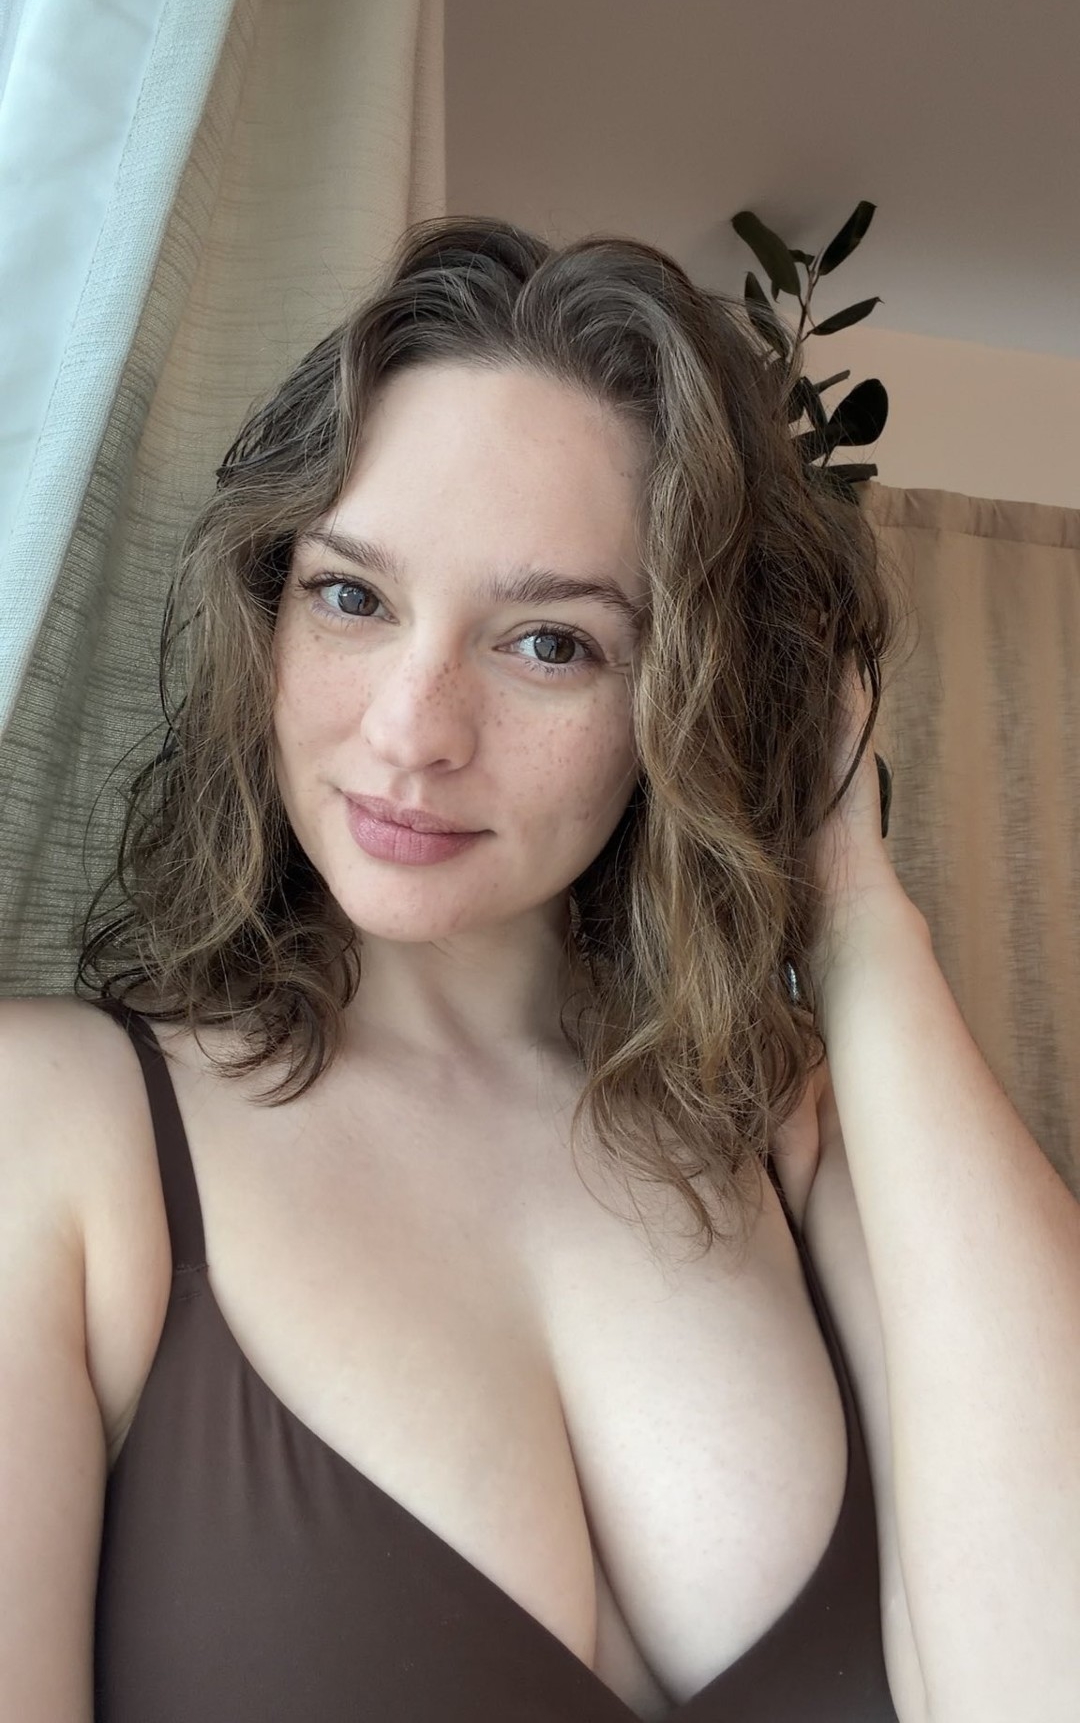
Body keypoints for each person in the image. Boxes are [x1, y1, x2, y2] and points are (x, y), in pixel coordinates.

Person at [0, 218, 914, 1720]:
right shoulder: (54, 1131)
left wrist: (862, 913)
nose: (414, 731)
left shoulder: (794, 1133)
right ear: (267, 613)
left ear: (688, 695)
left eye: (549, 643)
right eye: (353, 597)